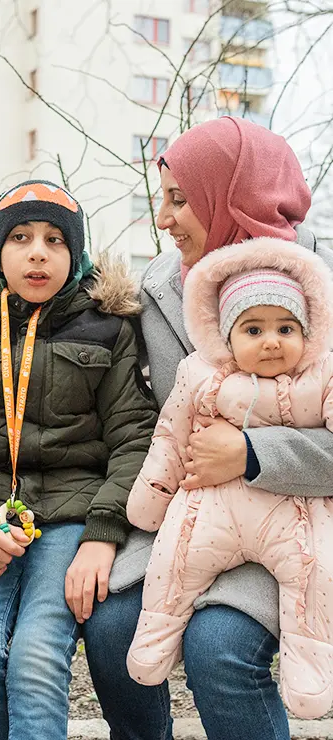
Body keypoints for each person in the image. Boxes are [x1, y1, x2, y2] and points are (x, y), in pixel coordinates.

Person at [82, 116, 333, 740]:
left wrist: (251, 452)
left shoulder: (316, 290)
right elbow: (143, 418)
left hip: (299, 518)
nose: (163, 220)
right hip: (190, 510)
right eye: (161, 200)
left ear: (232, 194)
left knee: (218, 646)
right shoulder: (163, 287)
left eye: (179, 199)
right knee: (112, 623)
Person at [0, 180, 158, 740]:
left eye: (55, 239)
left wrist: (103, 531)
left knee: (35, 657)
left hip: (75, 521)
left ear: (75, 256)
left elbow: (134, 439)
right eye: (20, 237)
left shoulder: (108, 330)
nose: (38, 252)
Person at [126, 239, 333, 719]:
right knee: (174, 561)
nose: (272, 341)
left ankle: (311, 668)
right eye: (253, 329)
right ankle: (155, 642)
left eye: (286, 328)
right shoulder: (200, 373)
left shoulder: (321, 374)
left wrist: (253, 451)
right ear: (225, 336)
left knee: (314, 575)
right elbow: (170, 438)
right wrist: (151, 498)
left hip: (294, 512)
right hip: (210, 507)